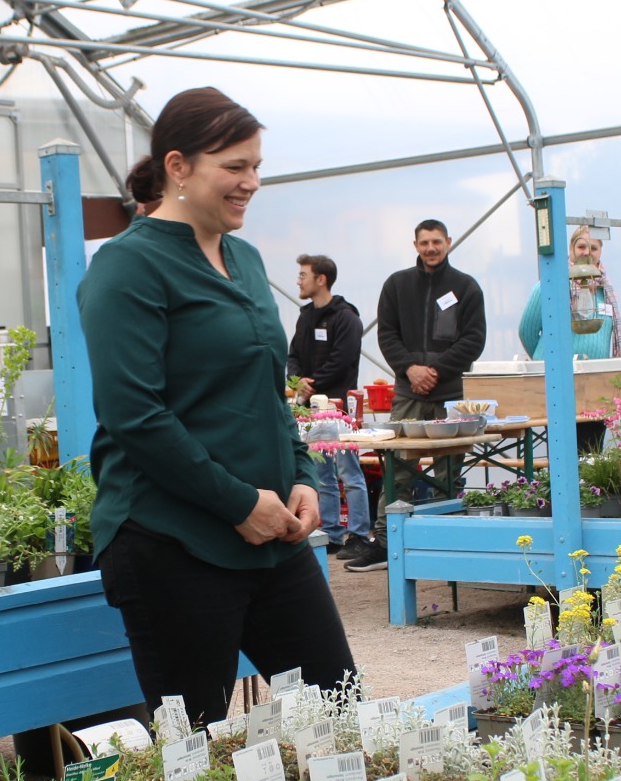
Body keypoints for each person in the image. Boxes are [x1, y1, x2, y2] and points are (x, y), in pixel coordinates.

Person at [79, 87, 357, 726]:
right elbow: (135, 415)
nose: (252, 182)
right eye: (234, 166)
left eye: (256, 166)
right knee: (192, 743)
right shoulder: (128, 268)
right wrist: (237, 504)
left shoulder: (248, 261)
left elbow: (269, 388)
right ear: (177, 166)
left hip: (272, 534)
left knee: (338, 713)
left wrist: (300, 475)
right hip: (171, 539)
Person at [344, 220, 486, 572]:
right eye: (424, 242)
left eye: (436, 241)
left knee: (448, 470)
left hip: (450, 393)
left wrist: (435, 370)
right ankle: (385, 544)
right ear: (415, 245)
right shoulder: (397, 284)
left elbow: (473, 339)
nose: (431, 248)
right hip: (408, 393)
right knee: (399, 469)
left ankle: (445, 541)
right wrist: (411, 369)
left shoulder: (466, 287)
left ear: (449, 242)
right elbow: (387, 334)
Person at [288, 252, 371, 556]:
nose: (298, 280)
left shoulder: (346, 317)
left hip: (339, 409)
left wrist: (314, 384)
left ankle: (360, 535)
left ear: (320, 279)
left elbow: (342, 359)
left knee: (349, 473)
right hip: (312, 410)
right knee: (322, 474)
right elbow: (293, 355)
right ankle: (332, 534)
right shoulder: (305, 315)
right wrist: (299, 382)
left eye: (303, 275)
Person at [518, 227, 621, 360]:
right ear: (571, 249)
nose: (587, 252)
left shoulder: (606, 291)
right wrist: (551, 361)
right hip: (558, 375)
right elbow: (526, 332)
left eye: (594, 248)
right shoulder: (550, 286)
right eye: (581, 247)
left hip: (595, 375)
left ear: (600, 252)